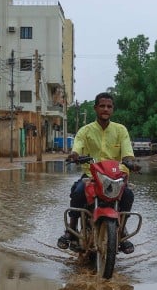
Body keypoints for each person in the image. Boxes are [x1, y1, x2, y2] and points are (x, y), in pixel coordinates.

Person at [59, 92, 139, 254]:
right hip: (92, 176)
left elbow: (127, 153)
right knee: (78, 191)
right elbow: (78, 145)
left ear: (113, 110)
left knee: (128, 195)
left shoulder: (120, 130)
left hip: (115, 177)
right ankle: (72, 229)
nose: (105, 109)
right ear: (95, 108)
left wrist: (130, 162)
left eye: (109, 106)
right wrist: (74, 155)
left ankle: (121, 230)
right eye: (102, 106)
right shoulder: (85, 131)